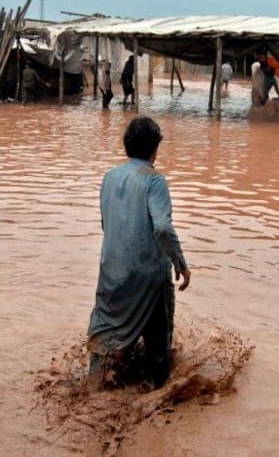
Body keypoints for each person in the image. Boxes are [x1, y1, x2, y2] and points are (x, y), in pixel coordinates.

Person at [87, 116, 191, 389]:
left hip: (111, 270)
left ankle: (94, 384)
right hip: (148, 275)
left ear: (127, 146)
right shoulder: (154, 180)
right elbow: (163, 229)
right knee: (158, 344)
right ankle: (157, 392)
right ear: (155, 149)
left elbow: (105, 224)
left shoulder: (110, 178)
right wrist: (180, 262)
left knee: (104, 332)